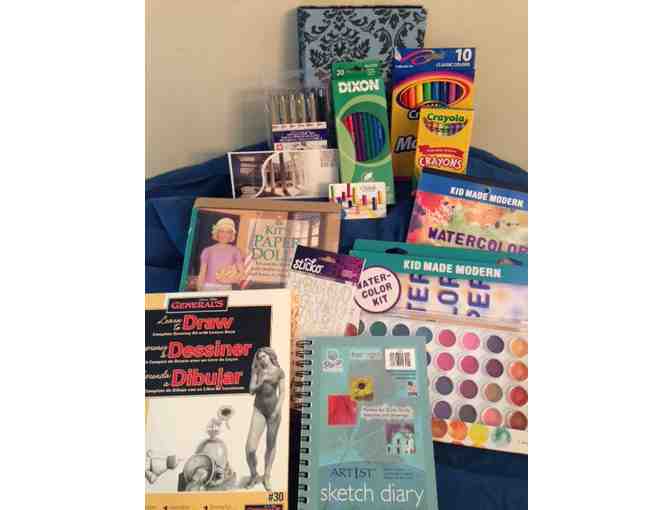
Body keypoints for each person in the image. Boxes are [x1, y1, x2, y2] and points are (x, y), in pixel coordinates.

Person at [245, 347, 285, 491]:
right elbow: (251, 390)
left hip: (274, 411)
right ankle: (254, 475)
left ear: (270, 356)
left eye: (264, 356)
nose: (262, 359)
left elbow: (282, 393)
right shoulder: (257, 371)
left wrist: (277, 410)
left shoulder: (279, 372)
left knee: (270, 445)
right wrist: (261, 382)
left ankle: (267, 476)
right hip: (259, 410)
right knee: (250, 448)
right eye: (260, 357)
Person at [197, 217, 245, 290]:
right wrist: (199, 289)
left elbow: (242, 273)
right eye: (221, 231)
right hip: (208, 286)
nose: (224, 235)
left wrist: (228, 280)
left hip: (226, 287)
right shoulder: (208, 250)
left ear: (232, 234)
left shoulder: (235, 251)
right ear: (216, 233)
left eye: (228, 232)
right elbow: (202, 274)